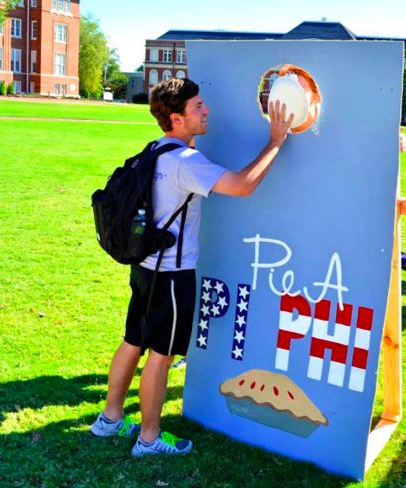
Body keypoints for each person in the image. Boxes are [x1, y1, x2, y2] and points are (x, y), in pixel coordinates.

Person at [91, 78, 294, 457]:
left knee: (133, 341)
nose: (207, 111)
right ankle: (149, 439)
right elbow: (242, 185)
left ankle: (110, 419)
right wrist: (276, 142)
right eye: (198, 106)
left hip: (145, 267)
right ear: (176, 117)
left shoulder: (157, 150)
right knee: (161, 355)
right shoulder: (187, 163)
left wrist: (193, 136)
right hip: (172, 276)